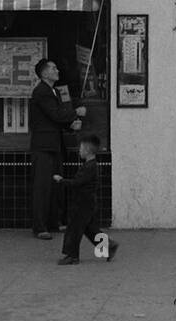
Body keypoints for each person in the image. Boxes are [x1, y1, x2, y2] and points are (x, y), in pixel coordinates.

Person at [28, 59, 86, 241]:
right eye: (53, 68)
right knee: (42, 187)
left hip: (54, 144)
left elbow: (56, 118)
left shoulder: (52, 92)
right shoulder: (42, 92)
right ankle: (40, 227)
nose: (57, 70)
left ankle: (54, 221)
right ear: (44, 73)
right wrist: (76, 112)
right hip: (43, 146)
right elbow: (55, 114)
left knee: (55, 185)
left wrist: (71, 125)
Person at [53, 135, 118, 266]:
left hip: (82, 203)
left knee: (73, 228)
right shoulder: (92, 165)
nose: (79, 151)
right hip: (88, 203)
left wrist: (61, 181)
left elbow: (77, 182)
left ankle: (72, 255)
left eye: (81, 148)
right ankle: (109, 245)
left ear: (87, 150)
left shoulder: (89, 167)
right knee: (90, 229)